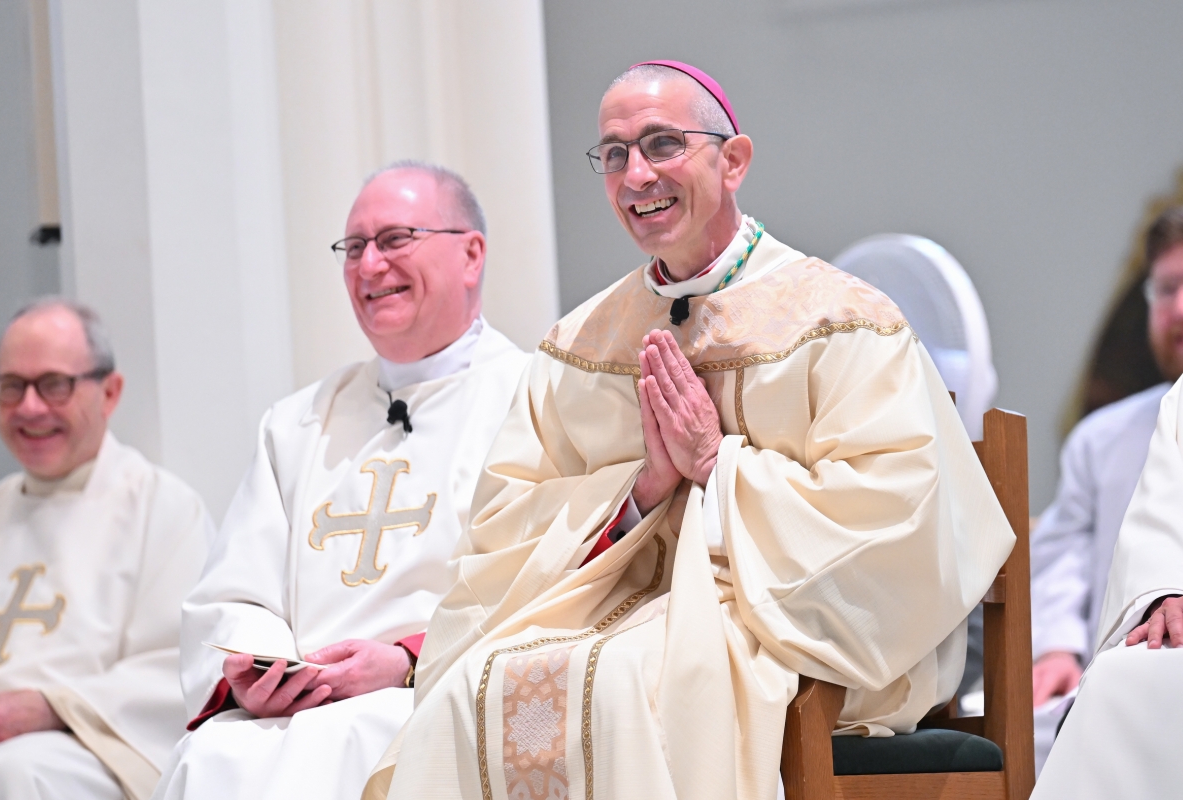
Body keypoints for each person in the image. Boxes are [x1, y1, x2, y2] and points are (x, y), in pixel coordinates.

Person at [365, 62, 1014, 800]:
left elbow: (898, 508)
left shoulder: (842, 321)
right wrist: (641, 491)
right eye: (614, 154)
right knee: (470, 687)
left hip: (785, 627)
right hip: (617, 616)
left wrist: (716, 463)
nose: (636, 174)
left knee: (622, 690)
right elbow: (504, 530)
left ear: (732, 160)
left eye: (662, 144)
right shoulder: (581, 345)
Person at [151, 162, 529, 800]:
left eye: (394, 239)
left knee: (352, 740)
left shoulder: (531, 399)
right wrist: (260, 667)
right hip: (296, 709)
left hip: (439, 694)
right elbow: (232, 596)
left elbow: (550, 581)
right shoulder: (297, 423)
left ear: (471, 255)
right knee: (211, 756)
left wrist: (408, 660)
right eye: (353, 247)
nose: (369, 265)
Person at [0, 299, 211, 800]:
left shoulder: (162, 509)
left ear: (109, 392)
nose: (29, 407)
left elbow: (184, 666)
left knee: (13, 773)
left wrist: (53, 706)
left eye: (54, 385)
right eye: (12, 386)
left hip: (86, 749)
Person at [1028, 208, 1183, 755]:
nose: (1180, 308)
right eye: (1167, 289)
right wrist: (1057, 649)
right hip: (1116, 674)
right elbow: (1062, 561)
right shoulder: (1102, 438)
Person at [1031, 370, 1183, 799]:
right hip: (1152, 634)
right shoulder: (1112, 430)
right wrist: (1166, 591)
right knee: (1119, 682)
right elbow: (1065, 555)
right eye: (1167, 295)